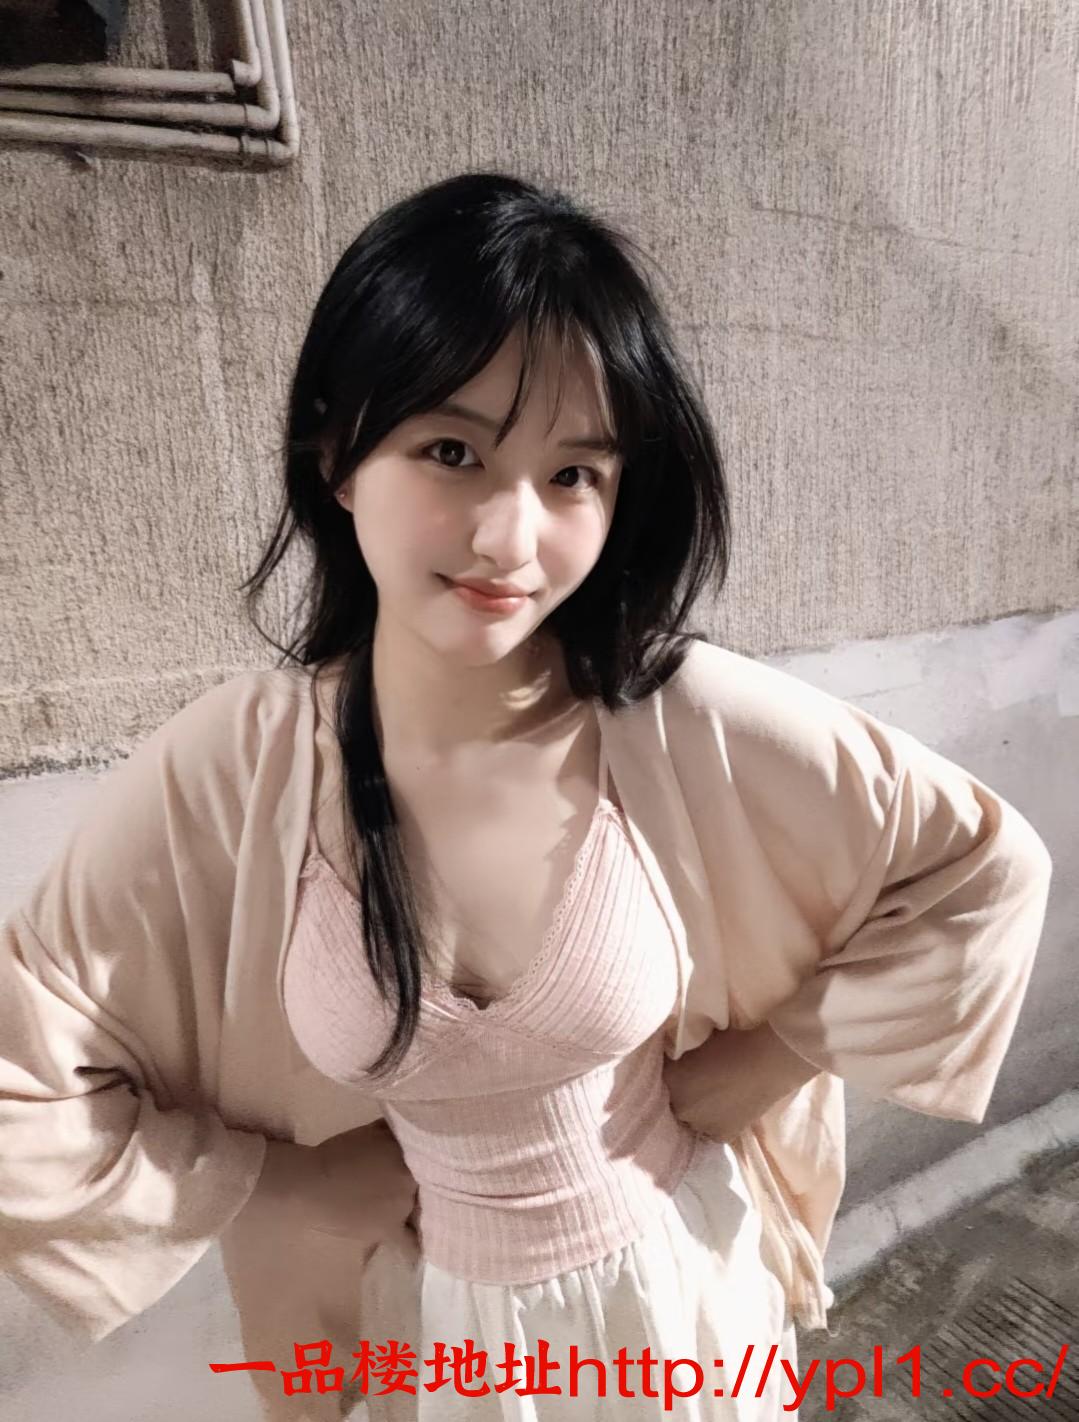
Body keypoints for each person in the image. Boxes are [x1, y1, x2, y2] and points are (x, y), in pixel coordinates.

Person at [0, 172, 1053, 1422]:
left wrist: (776, 1054)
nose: (510, 538)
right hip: (426, 1340)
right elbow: (24, 1065)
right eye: (452, 452)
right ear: (336, 455)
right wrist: (274, 1186)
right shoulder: (238, 769)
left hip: (673, 1304)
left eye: (572, 476)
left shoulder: (673, 719)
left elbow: (979, 868)